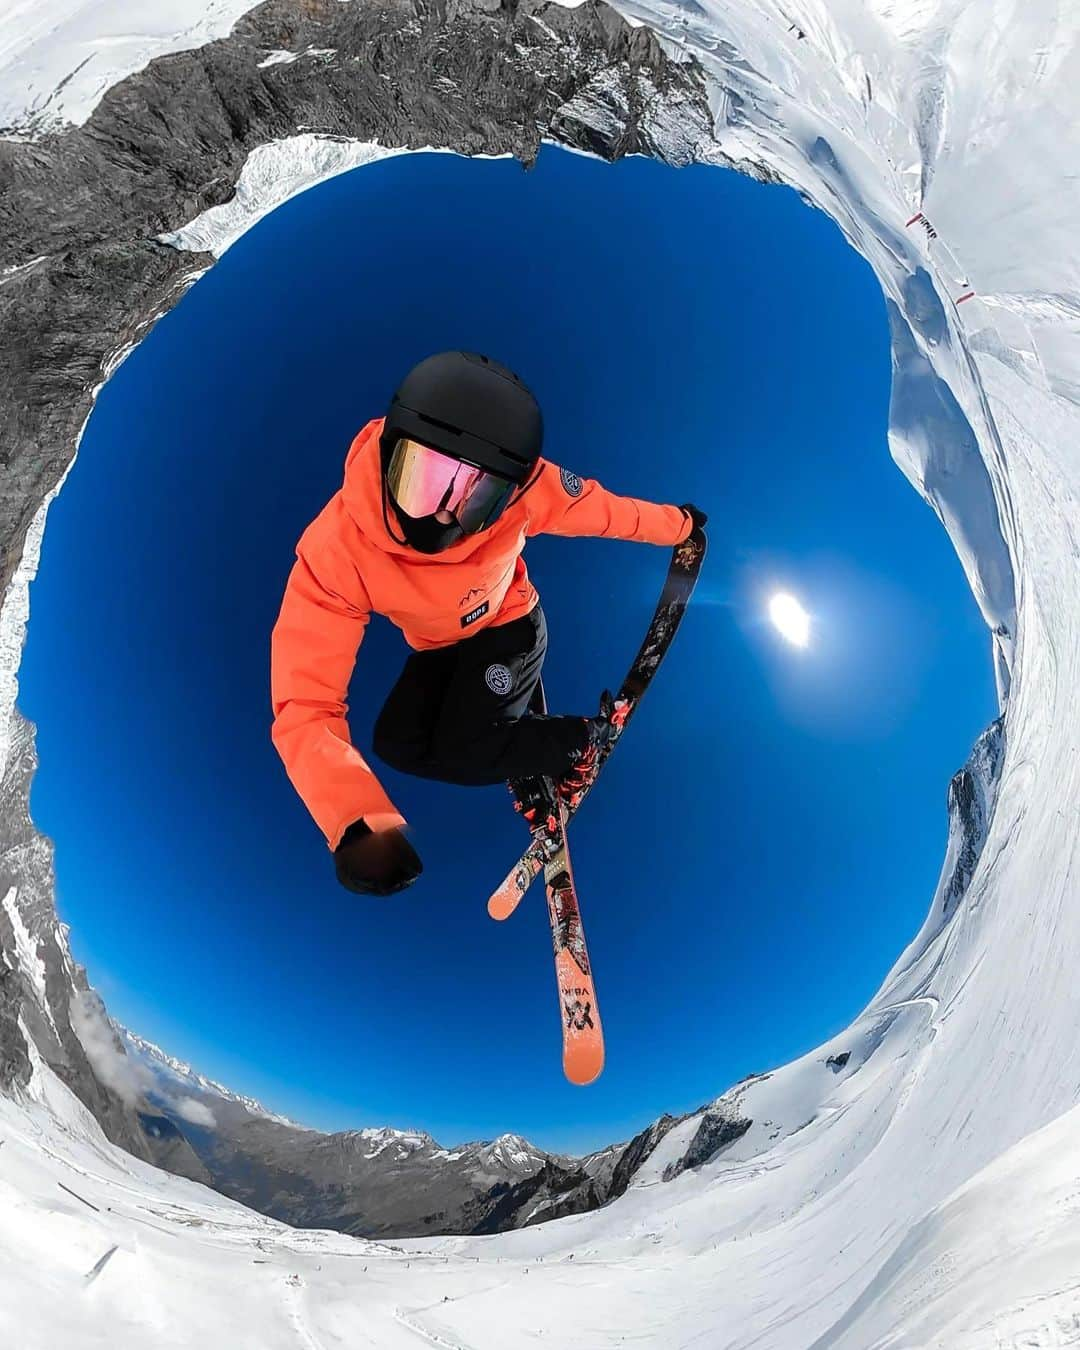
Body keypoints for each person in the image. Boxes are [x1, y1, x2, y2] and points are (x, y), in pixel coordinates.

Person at [270, 351, 706, 896]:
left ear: (508, 492)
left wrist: (680, 526)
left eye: (476, 497)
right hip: (442, 651)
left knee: (462, 749)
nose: (443, 515)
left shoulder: (529, 492)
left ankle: (579, 741)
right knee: (396, 744)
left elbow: (607, 510)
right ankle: (509, 741)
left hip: (510, 628)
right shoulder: (337, 551)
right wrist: (354, 818)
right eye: (424, 481)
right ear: (387, 453)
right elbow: (306, 703)